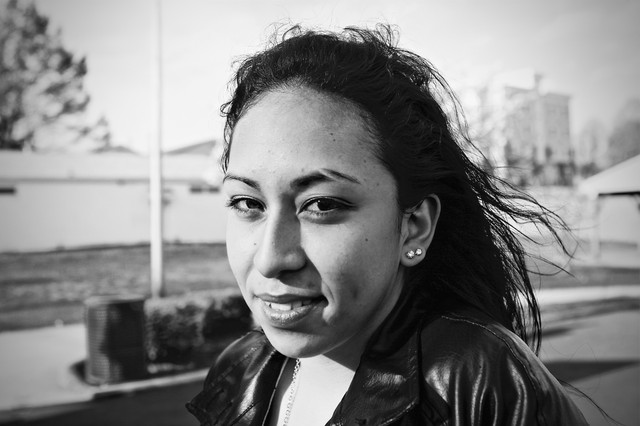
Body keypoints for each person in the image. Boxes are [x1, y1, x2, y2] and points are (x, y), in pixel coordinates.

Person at [187, 25, 588, 425]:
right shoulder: (239, 372)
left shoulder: (485, 388)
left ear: (414, 226)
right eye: (248, 203)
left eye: (322, 205)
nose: (271, 259)